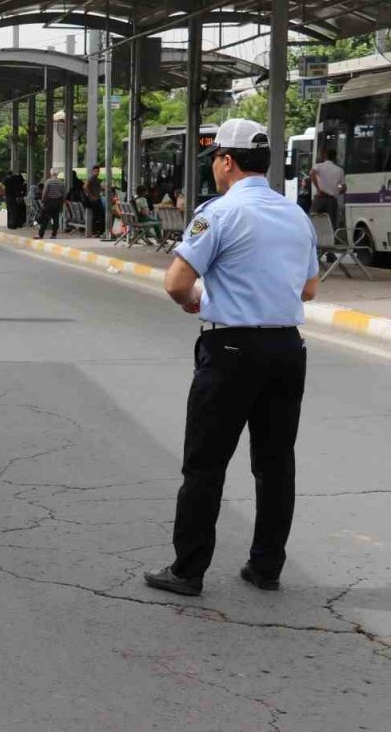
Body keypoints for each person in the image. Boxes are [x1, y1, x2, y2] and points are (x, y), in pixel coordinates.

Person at [143, 119, 319, 598]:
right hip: (287, 349)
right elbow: (308, 287)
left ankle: (188, 570)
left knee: (205, 464)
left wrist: (193, 301)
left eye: (216, 159)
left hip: (232, 350)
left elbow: (177, 283)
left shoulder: (216, 213)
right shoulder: (295, 214)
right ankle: (266, 567)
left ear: (226, 161)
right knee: (275, 462)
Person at [310, 148, 345, 232]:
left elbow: (312, 173)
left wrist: (318, 189)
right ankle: (330, 240)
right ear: (335, 157)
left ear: (325, 156)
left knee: (313, 220)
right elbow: (343, 187)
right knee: (331, 223)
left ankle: (314, 239)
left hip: (319, 198)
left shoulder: (318, 166)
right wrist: (337, 190)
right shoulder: (339, 170)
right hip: (332, 200)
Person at [35, 168, 66, 240]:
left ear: (51, 173)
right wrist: (62, 201)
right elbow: (64, 193)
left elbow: (45, 192)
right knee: (56, 219)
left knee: (45, 219)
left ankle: (41, 234)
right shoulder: (61, 182)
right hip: (58, 202)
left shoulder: (48, 182)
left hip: (49, 202)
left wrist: (43, 200)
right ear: (57, 174)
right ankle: (54, 235)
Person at [86, 165, 104, 236]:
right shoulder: (91, 178)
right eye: (95, 171)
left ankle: (98, 230)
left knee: (99, 214)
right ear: (92, 171)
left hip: (98, 198)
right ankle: (95, 231)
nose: (97, 172)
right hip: (94, 199)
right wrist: (91, 196)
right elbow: (85, 186)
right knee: (96, 215)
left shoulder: (97, 179)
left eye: (98, 171)